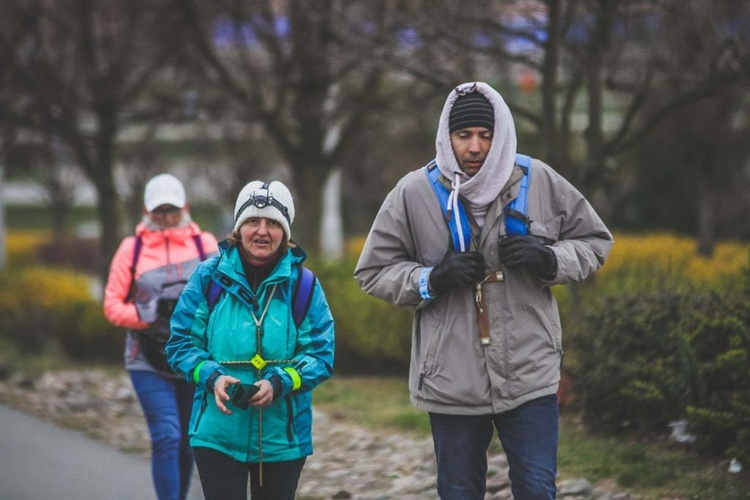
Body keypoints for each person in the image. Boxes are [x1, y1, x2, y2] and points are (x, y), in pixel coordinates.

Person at [354, 82, 613, 500]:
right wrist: (430, 279)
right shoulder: (413, 192)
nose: (475, 147)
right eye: (464, 135)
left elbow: (595, 242)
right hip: (450, 378)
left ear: (502, 134)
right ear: (447, 137)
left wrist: (550, 259)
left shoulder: (539, 179)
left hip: (530, 370)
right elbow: (373, 271)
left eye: (486, 135)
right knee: (458, 492)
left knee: (536, 489)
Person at [166, 180, 335, 500]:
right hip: (216, 432)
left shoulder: (304, 285)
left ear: (285, 232)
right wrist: (212, 377)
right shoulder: (207, 277)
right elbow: (180, 344)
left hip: (282, 439)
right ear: (238, 227)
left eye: (273, 222)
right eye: (252, 221)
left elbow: (321, 356)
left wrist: (279, 382)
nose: (262, 231)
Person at [104, 173, 220, 500]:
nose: (167, 218)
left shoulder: (206, 246)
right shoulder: (131, 249)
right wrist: (149, 312)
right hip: (146, 358)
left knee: (188, 442)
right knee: (166, 436)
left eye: (172, 210)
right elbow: (112, 305)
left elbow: (223, 299)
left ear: (186, 206)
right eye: (159, 211)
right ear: (146, 209)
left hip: (193, 359)